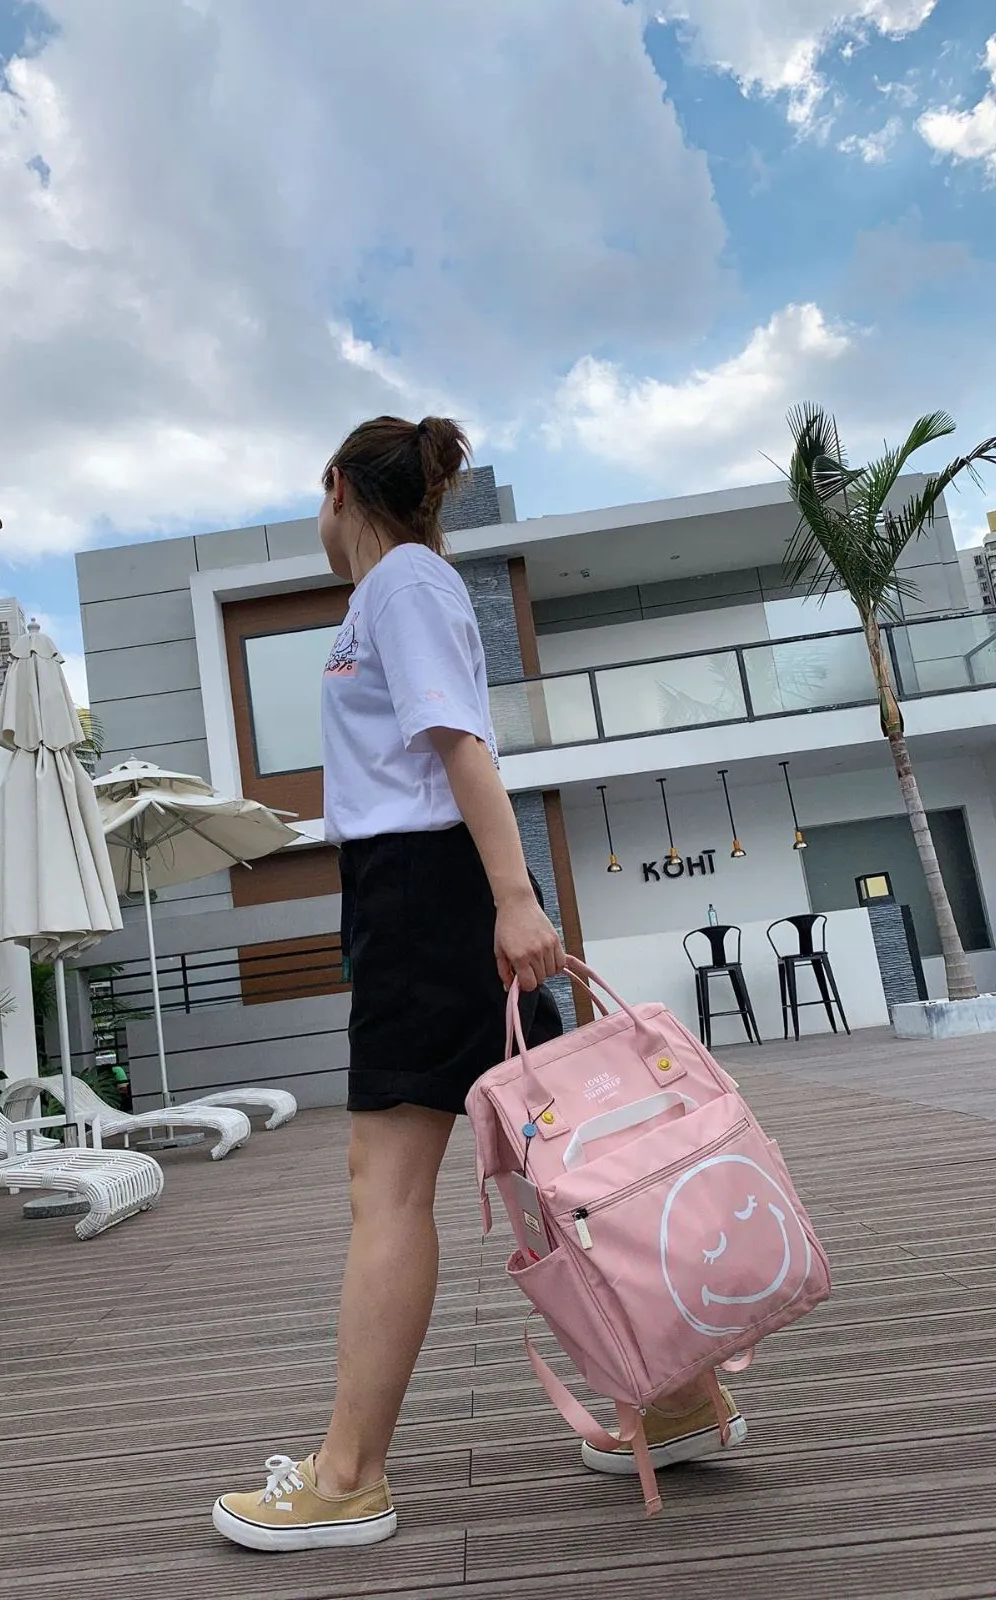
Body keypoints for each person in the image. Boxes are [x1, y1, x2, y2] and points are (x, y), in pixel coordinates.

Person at [212, 416, 744, 1554]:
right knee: (560, 1164)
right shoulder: (400, 589)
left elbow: (461, 748)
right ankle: (682, 1397)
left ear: (337, 487)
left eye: (319, 500)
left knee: (389, 1185)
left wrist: (511, 897)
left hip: (428, 891)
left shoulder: (401, 582)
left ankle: (347, 1478)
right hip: (427, 887)